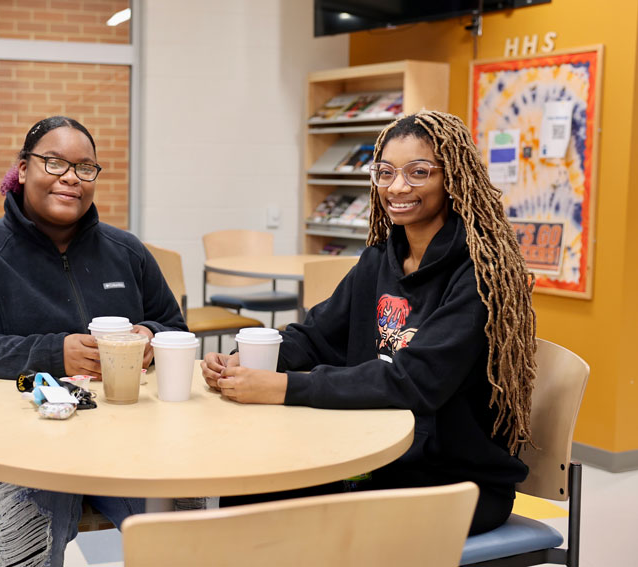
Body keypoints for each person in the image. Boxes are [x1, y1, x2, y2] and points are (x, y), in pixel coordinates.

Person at [201, 110, 537, 535]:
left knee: (291, 519)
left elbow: (414, 382)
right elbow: (316, 336)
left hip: (453, 481)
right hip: (376, 460)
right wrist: (247, 361)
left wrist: (283, 387)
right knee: (248, 495)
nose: (398, 187)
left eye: (418, 172)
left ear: (452, 177)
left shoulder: (479, 275)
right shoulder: (379, 259)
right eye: (385, 172)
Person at [0, 116, 187, 566]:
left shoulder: (127, 252)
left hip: (123, 433)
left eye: (85, 168)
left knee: (188, 510)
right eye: (54, 162)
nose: (71, 177)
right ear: (24, 169)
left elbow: (173, 327)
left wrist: (150, 336)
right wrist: (52, 352)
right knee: (30, 525)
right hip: (10, 437)